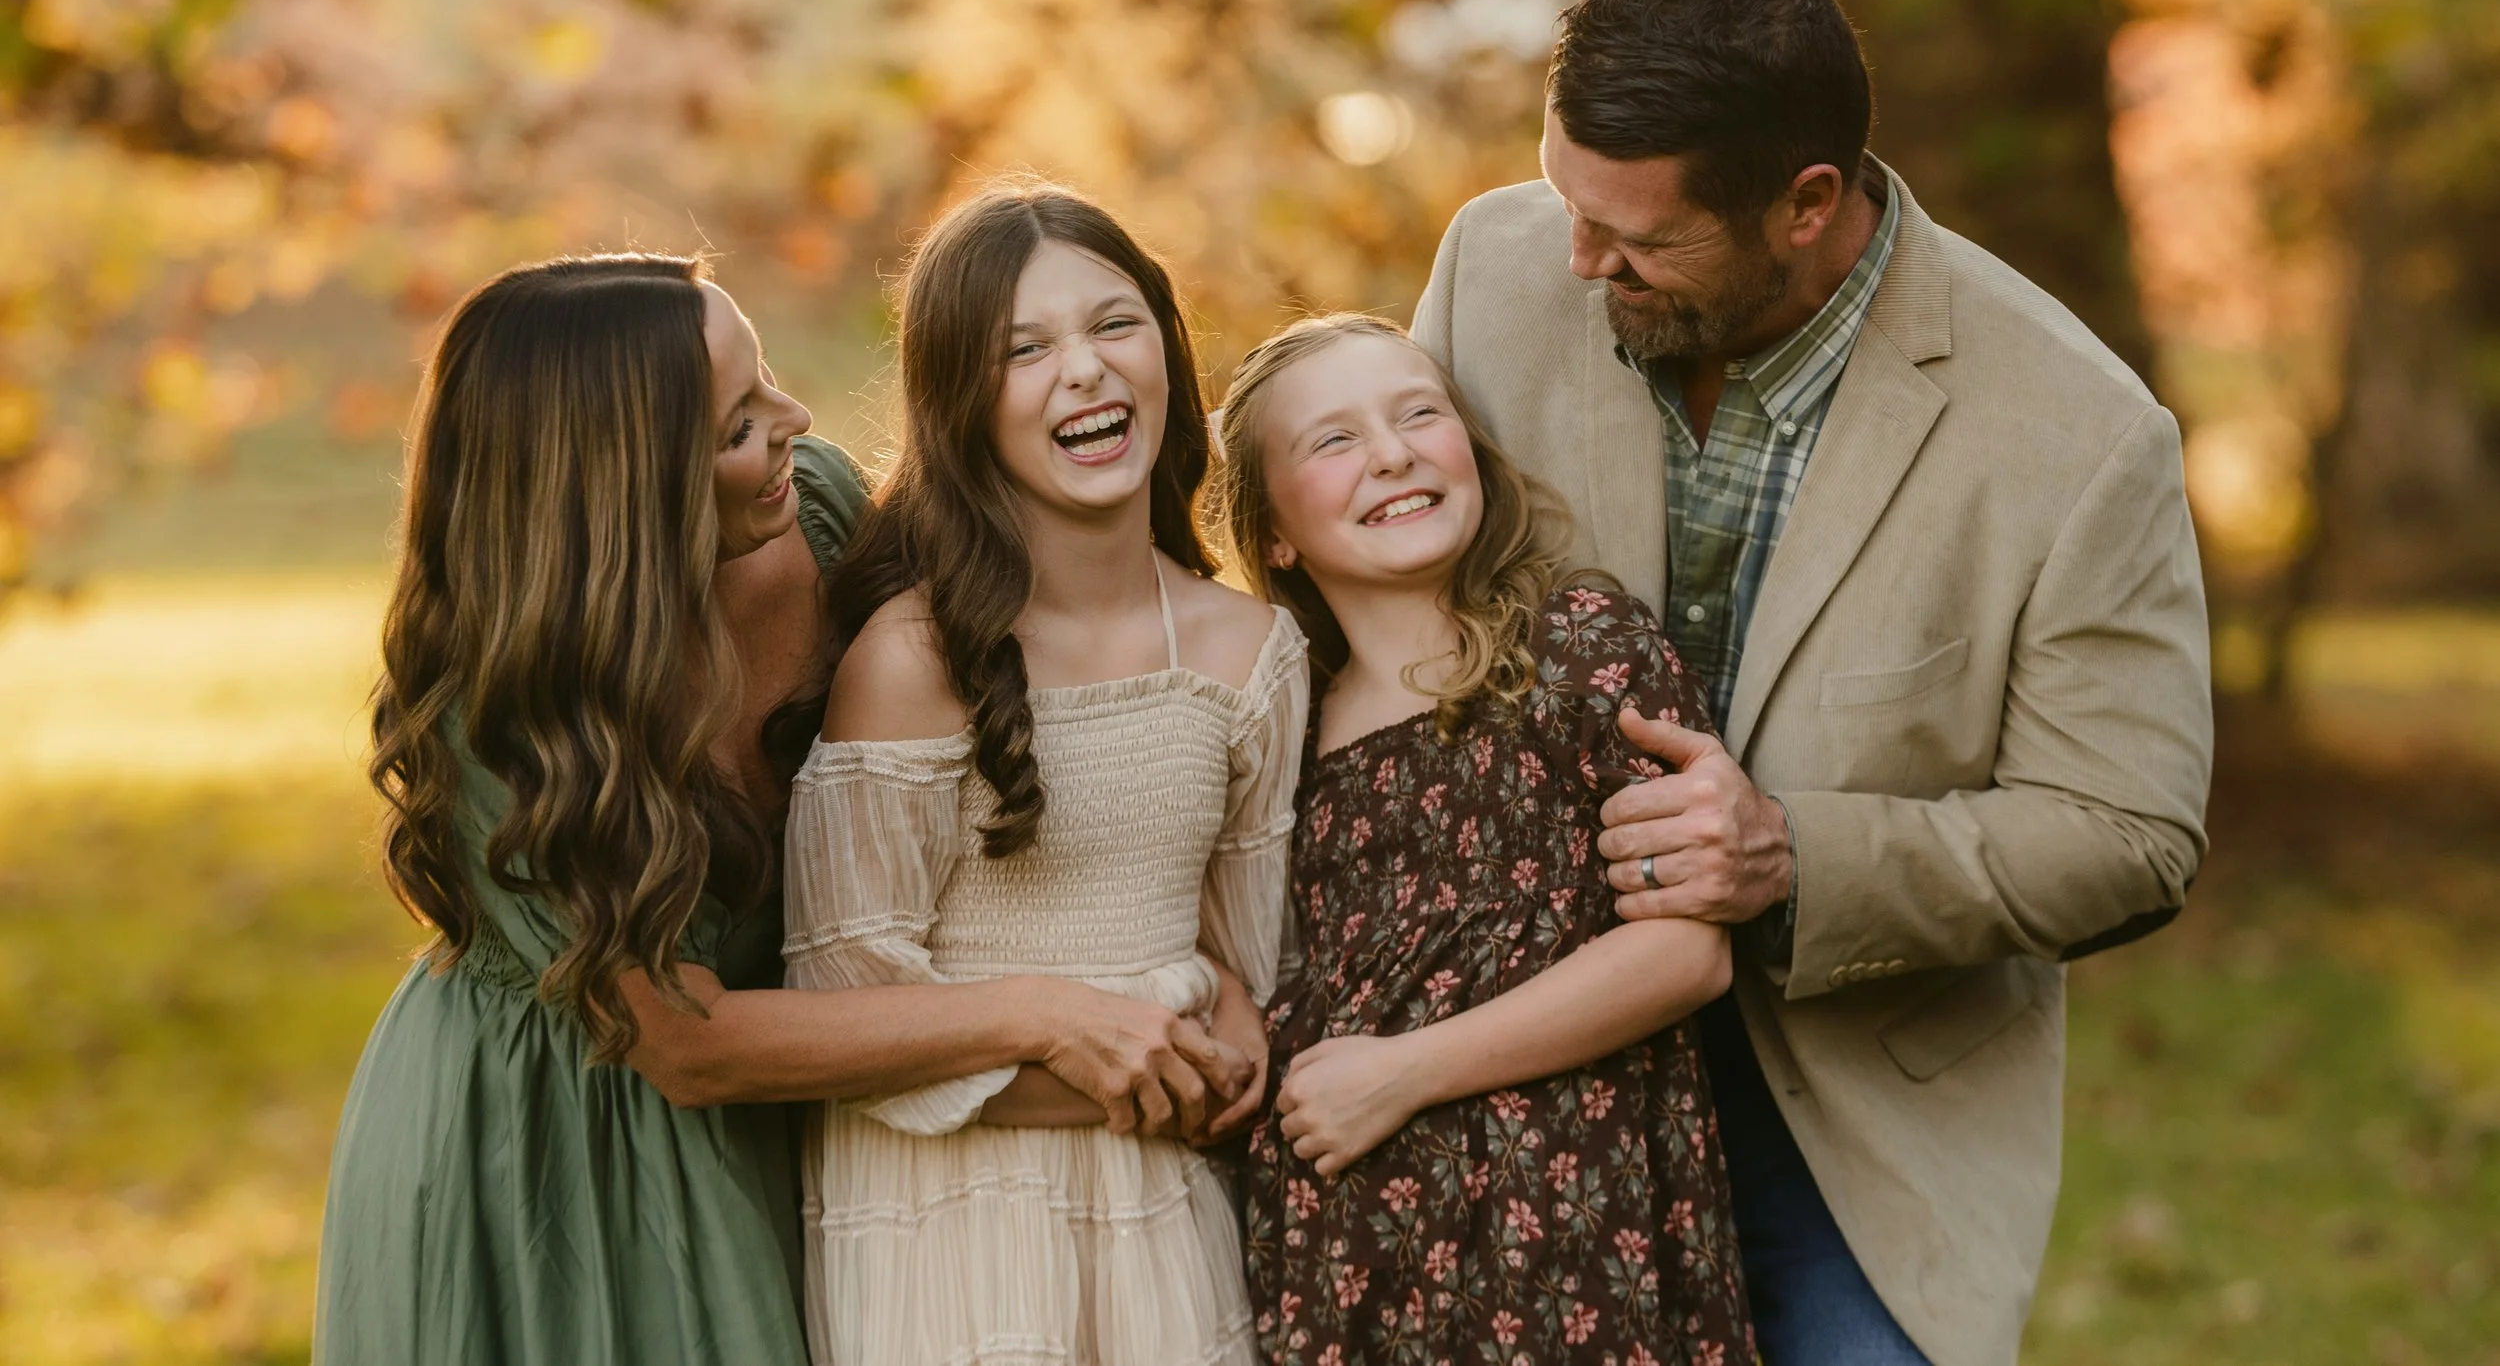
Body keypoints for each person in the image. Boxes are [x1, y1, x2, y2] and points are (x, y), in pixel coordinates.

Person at [1409, 0, 2214, 1366]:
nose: (1578, 260)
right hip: (1508, 1063)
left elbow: (2129, 829)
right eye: (1565, 203)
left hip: (1852, 1127)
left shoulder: (2081, 436)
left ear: (1807, 202)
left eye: (1640, 239)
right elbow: (1386, 606)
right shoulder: (1496, 264)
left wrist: (1791, 854)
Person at [315, 254, 1248, 1366]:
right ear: (625, 487)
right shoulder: (509, 706)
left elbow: (1030, 709)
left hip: (824, 1083)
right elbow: (684, 1040)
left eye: (768, 383)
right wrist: (1043, 1013)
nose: (795, 420)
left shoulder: (823, 518)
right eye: (739, 425)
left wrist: (1196, 950)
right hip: (550, 1137)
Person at [783, 184, 1310, 1365]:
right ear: (962, 404)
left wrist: (1232, 1038)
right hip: (949, 1217)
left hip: (1166, 1211)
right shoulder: (915, 657)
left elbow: (1252, 951)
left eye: (1114, 325)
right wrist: (1137, 1070)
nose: (1082, 369)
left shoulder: (1250, 654)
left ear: (1169, 353)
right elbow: (846, 1008)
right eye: (1024, 349)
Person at [1219, 314, 1754, 1365]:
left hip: (1575, 1239)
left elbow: (1686, 951)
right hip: (1360, 1264)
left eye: (1420, 412)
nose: (1391, 451)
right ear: (1272, 531)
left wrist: (1405, 1072)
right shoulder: (1279, 731)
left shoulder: (1579, 648)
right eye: (1333, 440)